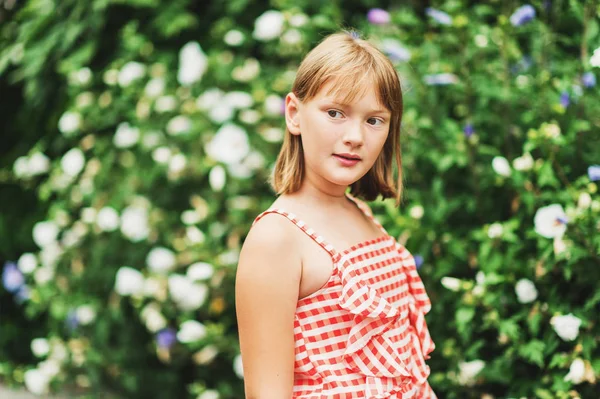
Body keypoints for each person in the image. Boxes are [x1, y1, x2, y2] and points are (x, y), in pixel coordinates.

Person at [235, 31, 436, 399]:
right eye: (335, 113)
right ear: (294, 114)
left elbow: (409, 377)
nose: (355, 136)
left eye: (374, 120)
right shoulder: (277, 239)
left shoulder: (362, 216)